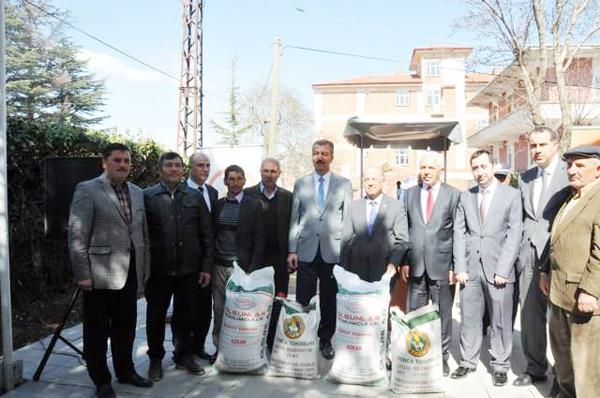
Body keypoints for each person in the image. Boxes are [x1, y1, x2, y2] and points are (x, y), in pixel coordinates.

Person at [68, 143, 153, 398]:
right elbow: (76, 234)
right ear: (104, 162)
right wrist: (83, 273)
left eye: (126, 161)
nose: (123, 165)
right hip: (98, 274)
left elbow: (142, 233)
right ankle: (102, 380)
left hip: (130, 272)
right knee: (96, 331)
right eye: (117, 160)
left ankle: (126, 371)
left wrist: (145, 267)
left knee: (125, 327)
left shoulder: (137, 192)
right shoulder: (87, 189)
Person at [451, 149, 522, 387]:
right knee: (469, 317)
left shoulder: (511, 196)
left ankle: (500, 365)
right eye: (475, 168)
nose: (479, 172)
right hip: (470, 268)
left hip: (499, 269)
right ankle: (468, 361)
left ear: (493, 166)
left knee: (500, 319)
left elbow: (514, 235)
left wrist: (503, 269)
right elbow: (459, 233)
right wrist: (460, 266)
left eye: (483, 167)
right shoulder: (466, 196)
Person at [144, 152, 213, 380]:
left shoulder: (194, 196)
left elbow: (206, 235)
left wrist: (205, 267)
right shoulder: (148, 196)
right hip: (159, 270)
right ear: (161, 169)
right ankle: (155, 358)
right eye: (169, 165)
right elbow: (141, 235)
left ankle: (183, 355)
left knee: (185, 316)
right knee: (155, 316)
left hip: (189, 269)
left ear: (182, 169)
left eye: (177, 165)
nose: (174, 169)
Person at [540, 146, 600, 398]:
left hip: (583, 298)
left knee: (586, 369)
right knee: (564, 364)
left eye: (579, 165)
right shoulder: (569, 196)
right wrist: (544, 271)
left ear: (598, 169)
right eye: (569, 165)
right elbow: (555, 239)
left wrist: (589, 289)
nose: (571, 170)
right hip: (559, 294)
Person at [288, 139, 352, 360]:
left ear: (332, 157)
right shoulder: (301, 183)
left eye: (324, 153)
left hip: (332, 252)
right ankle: (302, 338)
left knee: (329, 300)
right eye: (316, 153)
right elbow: (294, 219)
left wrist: (345, 252)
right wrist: (292, 250)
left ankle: (325, 340)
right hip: (305, 251)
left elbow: (348, 220)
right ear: (311, 156)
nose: (320, 157)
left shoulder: (343, 184)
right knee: (303, 298)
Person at [515, 127, 569, 387]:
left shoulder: (569, 172)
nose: (536, 151)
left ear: (555, 144)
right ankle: (535, 367)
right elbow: (524, 217)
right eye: (533, 145)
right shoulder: (524, 178)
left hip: (558, 255)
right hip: (529, 255)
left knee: (558, 319)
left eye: (542, 145)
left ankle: (563, 375)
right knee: (529, 315)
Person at [401, 151, 460, 377]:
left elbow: (458, 232)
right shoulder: (409, 194)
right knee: (414, 312)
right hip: (415, 265)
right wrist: (405, 260)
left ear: (440, 171)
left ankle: (442, 357)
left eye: (431, 168)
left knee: (443, 313)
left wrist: (455, 265)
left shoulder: (453, 195)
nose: (426, 172)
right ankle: (417, 354)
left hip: (443, 266)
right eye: (423, 168)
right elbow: (405, 228)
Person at [212, 165, 265, 350]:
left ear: (244, 181)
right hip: (219, 266)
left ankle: (241, 351)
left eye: (239, 178)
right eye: (231, 179)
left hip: (241, 268)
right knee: (219, 311)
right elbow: (212, 235)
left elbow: (259, 239)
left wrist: (252, 268)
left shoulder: (253, 205)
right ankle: (219, 350)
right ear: (225, 181)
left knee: (242, 312)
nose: (235, 183)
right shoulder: (218, 205)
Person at [244, 158, 293, 349]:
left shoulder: (288, 197)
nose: (269, 175)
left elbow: (293, 227)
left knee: (278, 300)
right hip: (256, 261)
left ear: (279, 173)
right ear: (260, 172)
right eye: (266, 171)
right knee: (256, 301)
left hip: (280, 260)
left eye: (273, 171)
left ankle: (273, 339)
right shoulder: (247, 195)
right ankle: (255, 339)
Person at [340, 166, 409, 282]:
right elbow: (345, 240)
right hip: (356, 273)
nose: (370, 183)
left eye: (374, 179)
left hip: (385, 271)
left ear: (382, 182)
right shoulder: (353, 207)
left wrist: (394, 263)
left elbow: (402, 240)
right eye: (367, 180)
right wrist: (343, 270)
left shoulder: (396, 207)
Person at [186, 152, 219, 363]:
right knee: (187, 309)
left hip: (208, 261)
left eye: (207, 165)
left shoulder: (213, 192)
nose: (205, 169)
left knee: (205, 309)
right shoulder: (181, 191)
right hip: (187, 261)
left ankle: (198, 346)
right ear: (190, 167)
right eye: (200, 165)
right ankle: (184, 350)